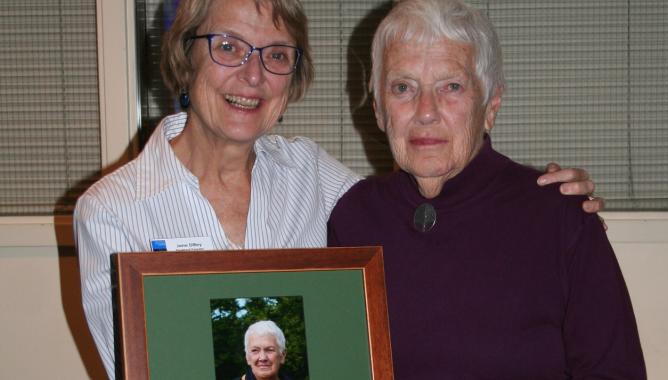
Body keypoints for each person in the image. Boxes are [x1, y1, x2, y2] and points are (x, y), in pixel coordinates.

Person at [74, 0, 602, 378]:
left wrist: (548, 200)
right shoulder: (113, 212)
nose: (252, 75)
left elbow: (424, 197)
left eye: (276, 55)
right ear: (186, 58)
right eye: (228, 47)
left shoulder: (310, 173)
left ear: (290, 81)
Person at [327, 0, 646, 378]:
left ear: (490, 104)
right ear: (379, 107)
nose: (426, 110)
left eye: (451, 86)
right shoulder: (352, 218)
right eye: (402, 87)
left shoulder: (558, 218)